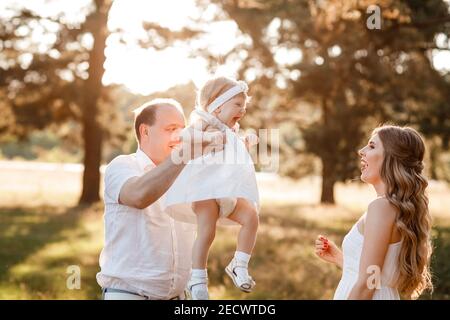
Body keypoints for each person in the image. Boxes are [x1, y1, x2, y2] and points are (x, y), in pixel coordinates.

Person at [96, 98, 225, 300]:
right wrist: (185, 154)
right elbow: (138, 196)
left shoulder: (188, 171)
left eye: (183, 129)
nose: (180, 136)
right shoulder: (122, 166)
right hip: (129, 296)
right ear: (145, 132)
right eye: (171, 129)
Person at [162, 77, 260, 300]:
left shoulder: (231, 129)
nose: (242, 111)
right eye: (237, 105)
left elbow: (230, 154)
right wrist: (207, 136)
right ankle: (197, 279)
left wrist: (244, 143)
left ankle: (239, 263)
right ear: (217, 106)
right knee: (207, 231)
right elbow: (184, 135)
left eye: (244, 107)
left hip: (226, 191)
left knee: (251, 217)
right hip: (203, 190)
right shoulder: (205, 122)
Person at [315, 125, 433, 300]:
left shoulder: (381, 207)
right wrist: (340, 259)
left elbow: (367, 285)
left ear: (391, 158)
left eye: (371, 146)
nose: (361, 151)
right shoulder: (391, 207)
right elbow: (375, 275)